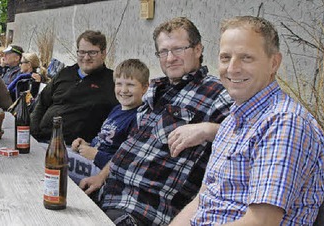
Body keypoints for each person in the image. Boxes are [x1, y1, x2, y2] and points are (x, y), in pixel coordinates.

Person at [170, 16, 324, 226]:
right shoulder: (233, 120)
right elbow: (201, 201)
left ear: (274, 63)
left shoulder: (284, 123)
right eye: (225, 57)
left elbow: (261, 222)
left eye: (246, 58)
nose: (232, 68)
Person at [78, 17, 232, 225]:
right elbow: (130, 144)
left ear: (198, 49)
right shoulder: (156, 89)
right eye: (163, 52)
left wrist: (209, 129)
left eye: (178, 49)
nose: (170, 58)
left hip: (142, 210)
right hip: (107, 193)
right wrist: (101, 176)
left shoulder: (216, 92)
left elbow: (250, 136)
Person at [68, 59, 148, 185]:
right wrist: (86, 145)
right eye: (119, 84)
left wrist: (96, 155)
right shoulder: (116, 109)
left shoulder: (139, 118)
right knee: (46, 149)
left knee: (56, 159)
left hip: (102, 172)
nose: (124, 90)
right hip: (90, 158)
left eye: (130, 85)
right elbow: (103, 140)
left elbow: (127, 160)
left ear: (144, 88)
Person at [30, 30, 118, 144]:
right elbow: (42, 102)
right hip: (41, 139)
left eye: (92, 52)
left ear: (103, 53)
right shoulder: (65, 73)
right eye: (82, 52)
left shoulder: (112, 81)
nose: (86, 57)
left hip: (72, 147)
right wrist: (33, 132)